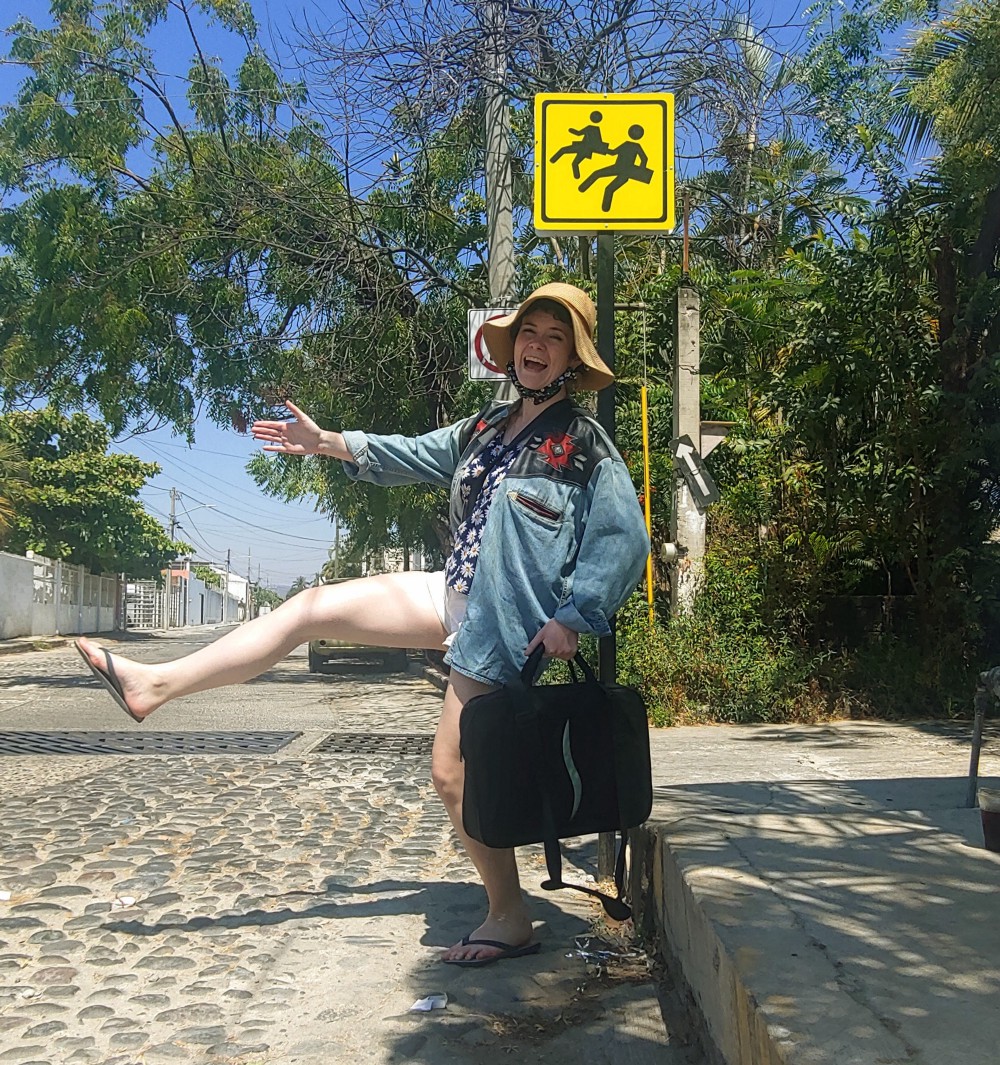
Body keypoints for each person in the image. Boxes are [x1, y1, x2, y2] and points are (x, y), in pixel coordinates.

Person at [76, 281, 650, 967]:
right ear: (513, 345)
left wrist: (574, 616)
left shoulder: (583, 443)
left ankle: (510, 913)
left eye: (555, 337)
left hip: (503, 622)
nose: (537, 345)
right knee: (313, 607)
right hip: (453, 593)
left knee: (448, 770)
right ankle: (154, 685)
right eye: (530, 331)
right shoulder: (486, 427)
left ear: (571, 360)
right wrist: (325, 442)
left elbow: (624, 537)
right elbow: (409, 451)